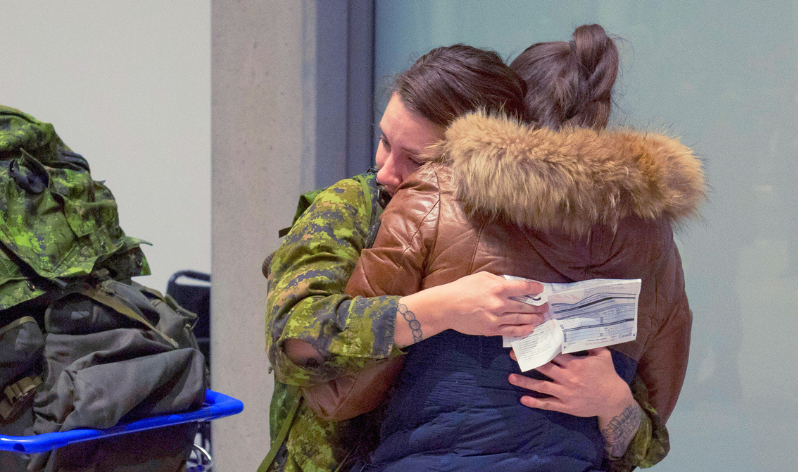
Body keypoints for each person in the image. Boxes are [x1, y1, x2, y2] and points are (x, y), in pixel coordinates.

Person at [344, 24, 704, 472]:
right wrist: (613, 400)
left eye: (413, 156)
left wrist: (431, 315)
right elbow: (641, 444)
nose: (385, 170)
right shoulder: (650, 237)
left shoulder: (432, 199)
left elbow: (342, 391)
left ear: (500, 113)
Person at [262, 44, 546, 472]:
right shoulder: (353, 207)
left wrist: (613, 404)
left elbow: (641, 444)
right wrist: (440, 310)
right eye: (384, 141)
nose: (385, 171)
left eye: (415, 159)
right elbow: (292, 341)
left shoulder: (535, 233)